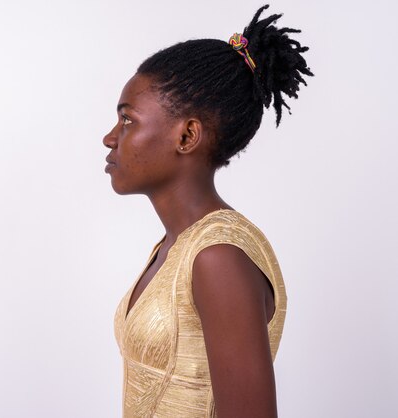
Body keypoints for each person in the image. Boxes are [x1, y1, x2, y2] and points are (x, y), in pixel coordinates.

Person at [103, 4, 312, 418]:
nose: (110, 138)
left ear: (187, 135)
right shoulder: (175, 245)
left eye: (128, 121)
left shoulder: (217, 257)